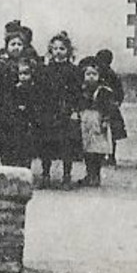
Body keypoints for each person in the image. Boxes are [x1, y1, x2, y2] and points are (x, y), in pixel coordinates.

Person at [33, 32, 81, 188]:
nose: (58, 52)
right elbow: (41, 89)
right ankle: (45, 175)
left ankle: (66, 176)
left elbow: (77, 92)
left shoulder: (73, 70)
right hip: (49, 111)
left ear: (68, 50)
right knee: (46, 144)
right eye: (55, 49)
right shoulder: (45, 70)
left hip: (65, 111)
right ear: (50, 51)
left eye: (62, 48)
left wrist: (74, 110)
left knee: (67, 145)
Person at [75, 57, 118, 186]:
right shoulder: (81, 90)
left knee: (97, 149)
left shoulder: (104, 91)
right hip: (85, 121)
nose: (91, 77)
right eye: (88, 74)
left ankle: (96, 174)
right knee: (87, 150)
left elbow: (108, 107)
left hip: (98, 121)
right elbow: (78, 104)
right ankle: (89, 174)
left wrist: (105, 119)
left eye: (94, 74)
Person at [0, 58, 39, 169]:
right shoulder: (15, 89)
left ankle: (25, 168)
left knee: (26, 147)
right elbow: (10, 105)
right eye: (20, 74)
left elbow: (35, 104)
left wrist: (28, 108)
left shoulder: (34, 89)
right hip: (16, 121)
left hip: (28, 122)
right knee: (13, 143)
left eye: (26, 73)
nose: (23, 76)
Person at [95, 48, 127, 166]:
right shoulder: (111, 74)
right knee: (110, 134)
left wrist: (116, 102)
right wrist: (117, 102)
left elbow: (119, 92)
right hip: (110, 107)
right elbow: (120, 92)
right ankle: (110, 156)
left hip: (107, 107)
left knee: (106, 133)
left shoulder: (106, 74)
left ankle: (109, 156)